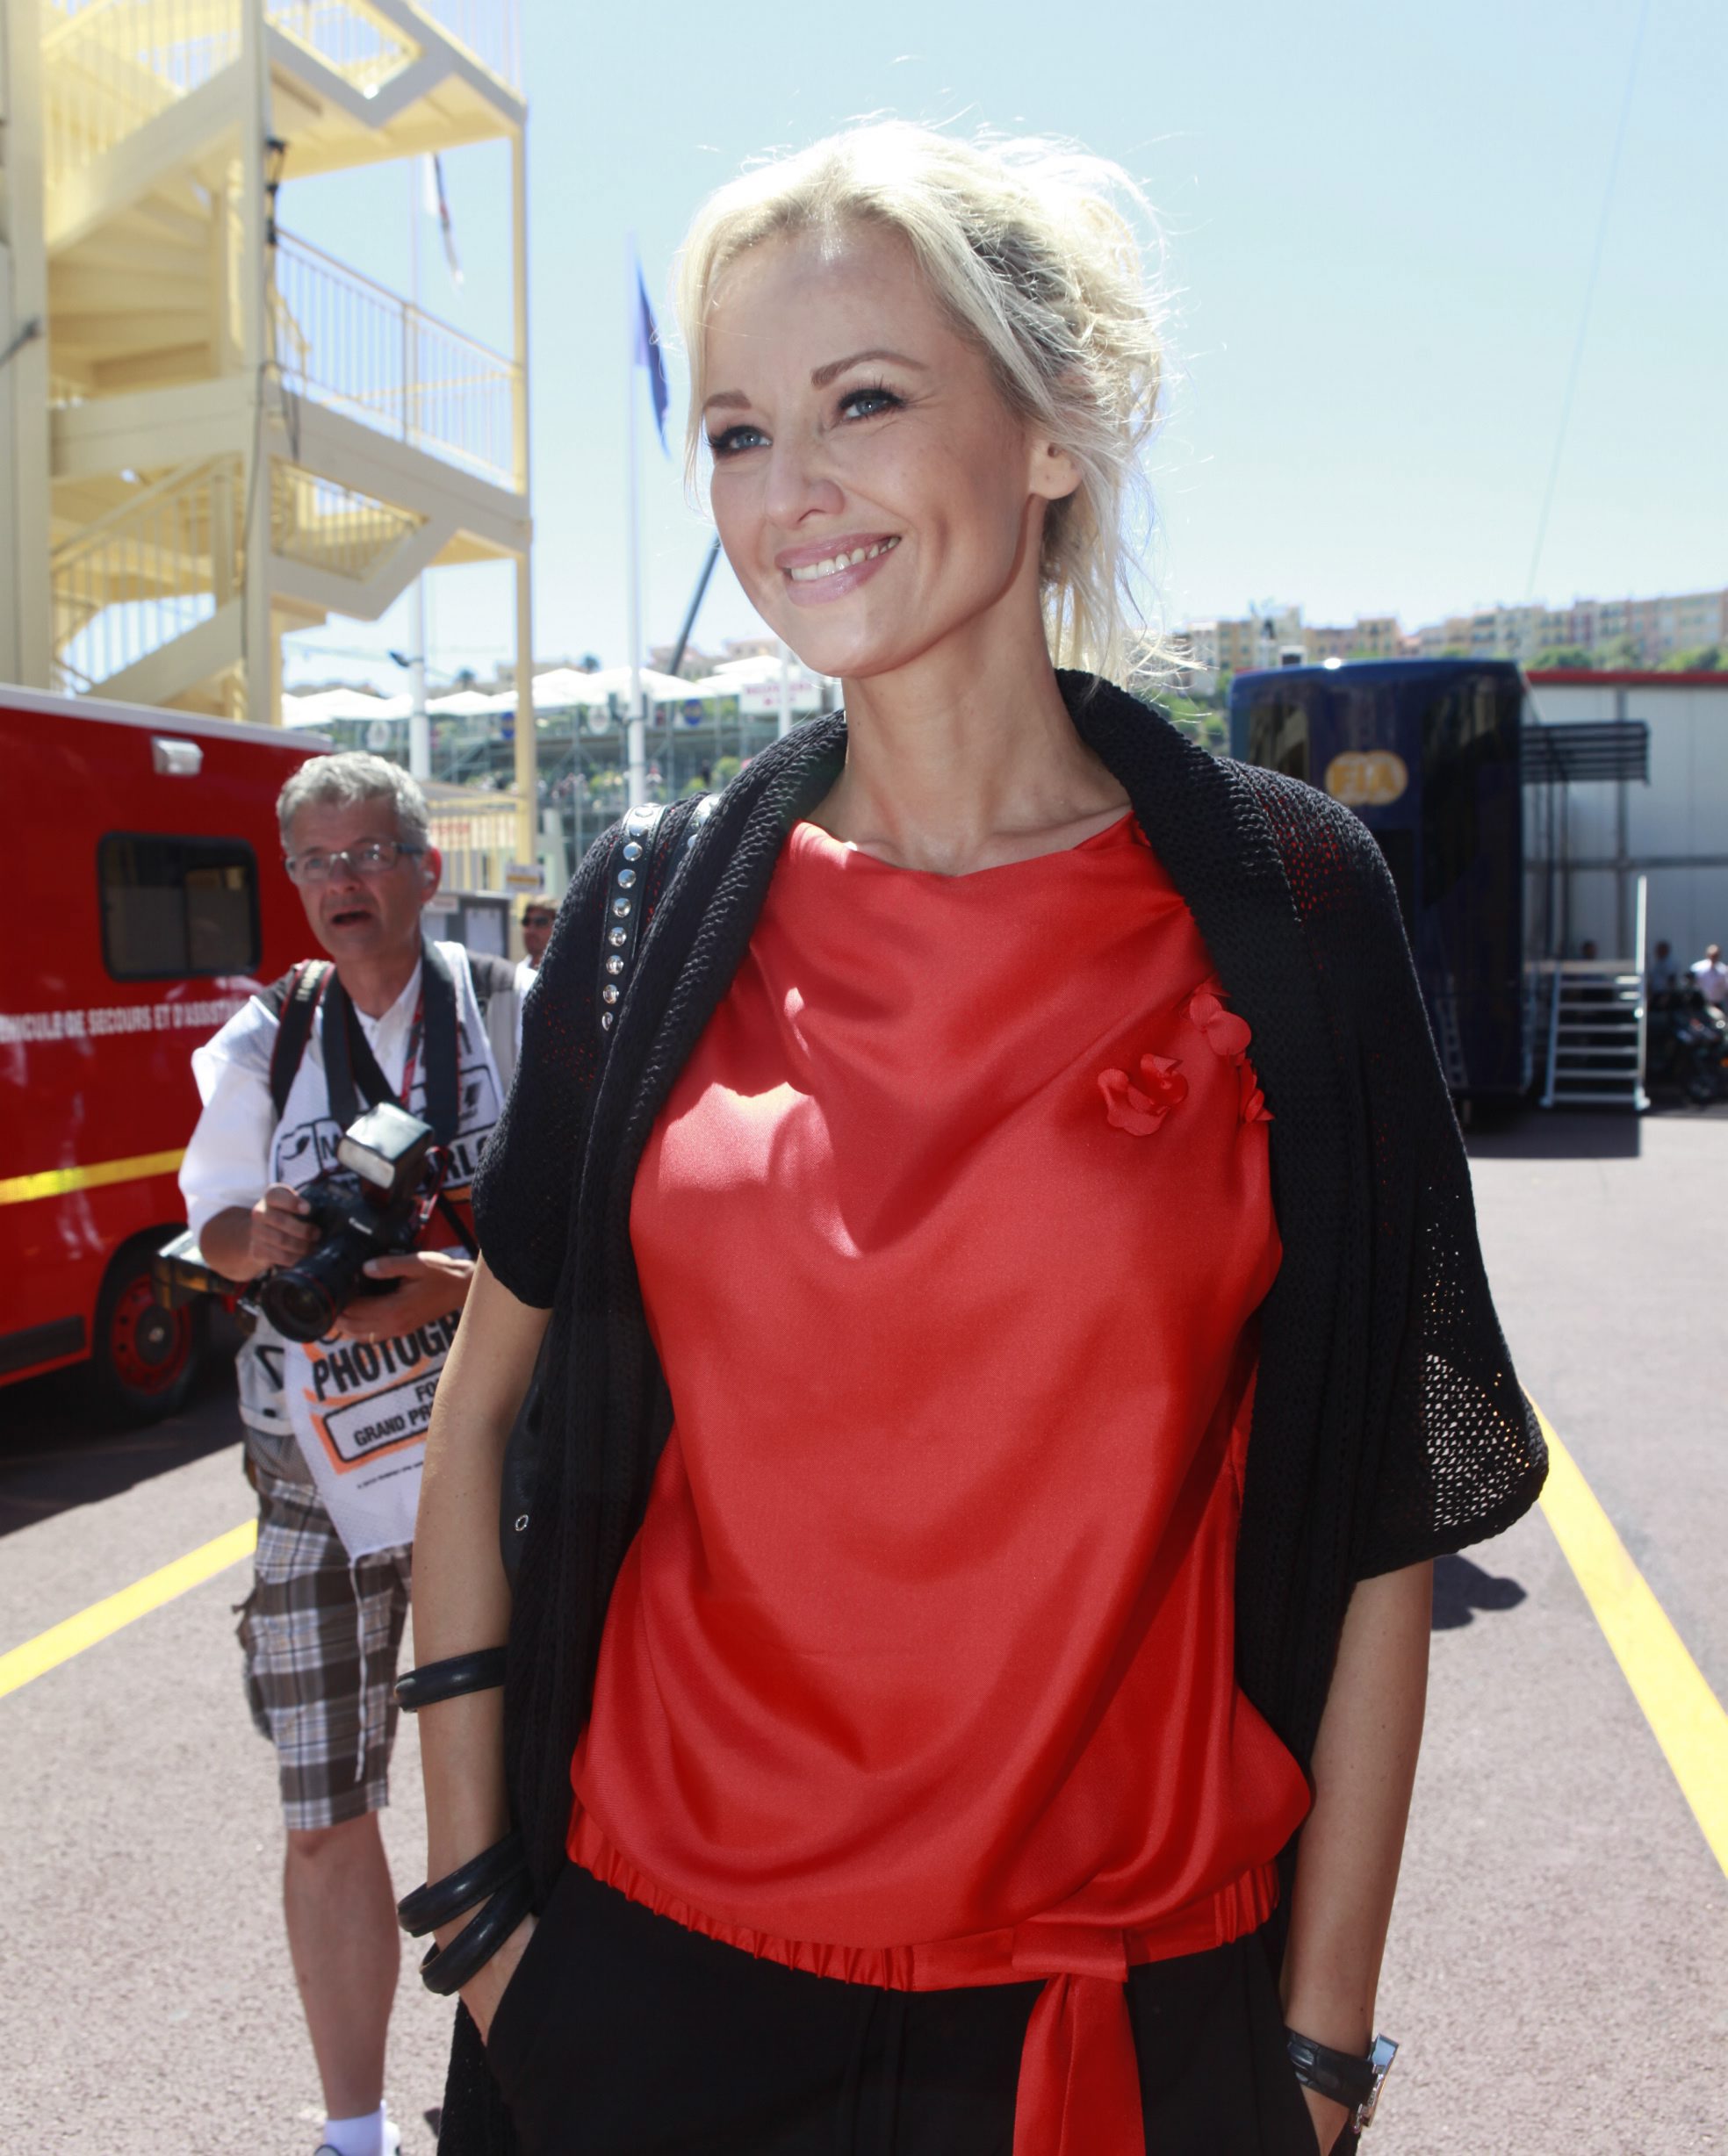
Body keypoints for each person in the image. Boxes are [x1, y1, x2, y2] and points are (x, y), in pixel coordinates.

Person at [410, 126, 1547, 2156]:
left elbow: (1390, 1499)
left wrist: (1318, 2047)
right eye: (739, 432)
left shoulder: (1290, 907)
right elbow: (479, 1406)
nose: (790, 487)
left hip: (1117, 2024)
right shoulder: (653, 910)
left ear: (1050, 430)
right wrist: (483, 1909)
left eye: (863, 400)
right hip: (654, 1993)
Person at [179, 752, 523, 2156]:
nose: (344, 883)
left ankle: (523, 2098)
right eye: (316, 862)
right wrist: (256, 1239)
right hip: (312, 1474)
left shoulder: (510, 1009)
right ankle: (353, 2130)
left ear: (427, 868)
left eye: (370, 853)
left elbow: (604, 1223)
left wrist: (457, 1286)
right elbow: (209, 1231)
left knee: (516, 1791)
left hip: (487, 1455)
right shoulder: (264, 1037)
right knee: (325, 1812)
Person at [1690, 942, 1727, 1007]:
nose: (1714, 958)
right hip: (1701, 1003)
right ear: (1707, 955)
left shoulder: (1723, 970)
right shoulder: (1697, 968)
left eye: (1716, 955)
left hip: (1717, 1003)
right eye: (1712, 955)